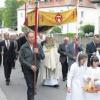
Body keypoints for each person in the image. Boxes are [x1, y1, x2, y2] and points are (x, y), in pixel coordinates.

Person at [19, 32, 45, 100]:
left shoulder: (38, 45)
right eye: (30, 37)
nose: (32, 38)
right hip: (27, 69)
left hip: (36, 69)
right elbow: (21, 59)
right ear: (27, 38)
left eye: (33, 37)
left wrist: (38, 53)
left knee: (33, 86)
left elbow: (43, 57)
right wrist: (30, 66)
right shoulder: (23, 47)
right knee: (30, 86)